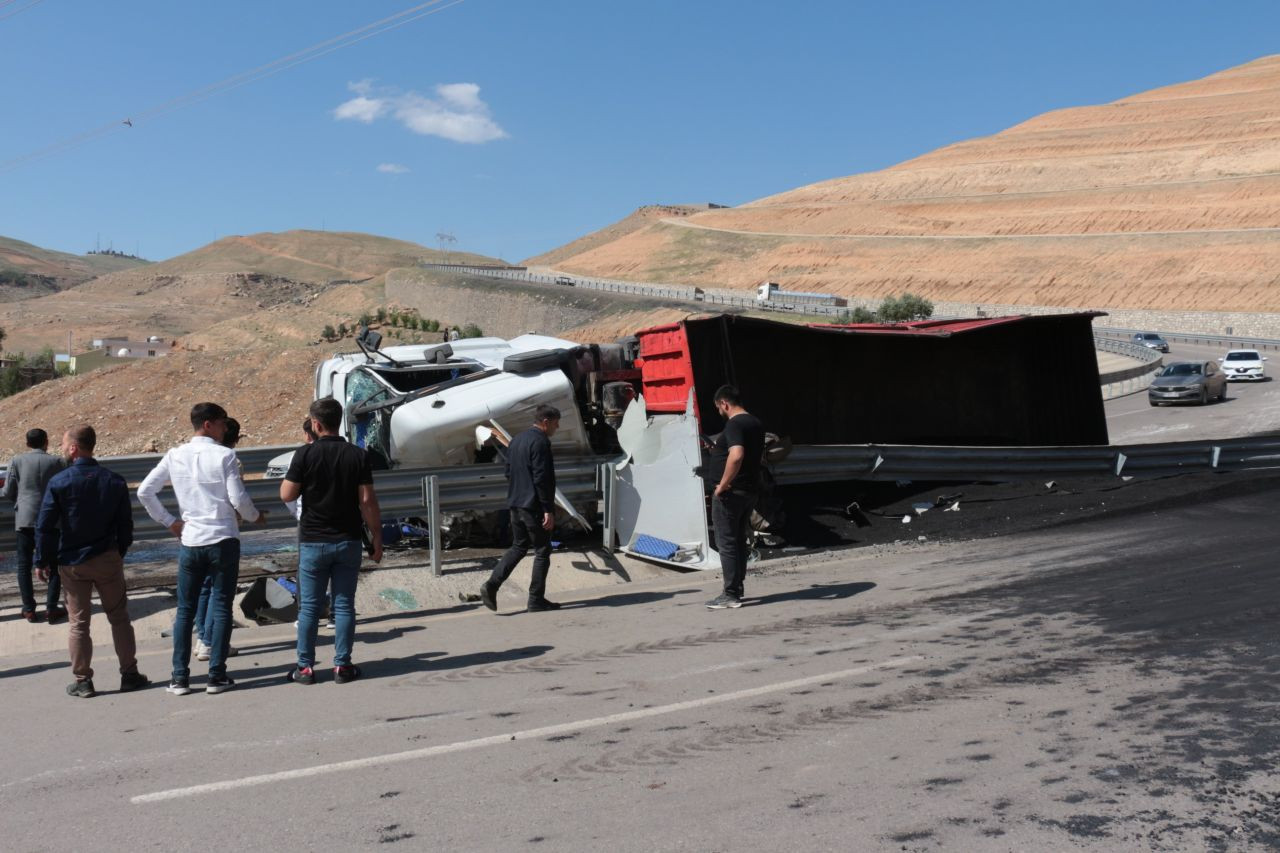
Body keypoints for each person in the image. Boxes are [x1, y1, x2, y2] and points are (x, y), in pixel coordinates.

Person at [138, 403, 265, 696]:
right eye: (221, 423)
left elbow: (145, 491)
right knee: (221, 606)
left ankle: (179, 678)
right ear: (208, 424)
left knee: (186, 610)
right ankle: (216, 675)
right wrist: (255, 517)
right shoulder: (225, 455)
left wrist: (170, 521)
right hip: (222, 539)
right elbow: (239, 499)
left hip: (191, 541)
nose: (225, 428)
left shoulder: (175, 455)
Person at [35, 425, 148, 698]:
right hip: (107, 557)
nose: (61, 448)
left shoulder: (59, 482)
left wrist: (42, 560)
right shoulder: (114, 481)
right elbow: (125, 524)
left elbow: (45, 526)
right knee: (119, 618)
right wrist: (117, 552)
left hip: (73, 562)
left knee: (78, 623)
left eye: (64, 444)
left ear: (74, 448)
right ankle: (129, 674)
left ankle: (83, 680)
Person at [280, 397, 383, 685]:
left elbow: (286, 495)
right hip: (347, 540)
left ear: (315, 423)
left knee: (310, 607)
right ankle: (343, 666)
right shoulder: (357, 455)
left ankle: (304, 668)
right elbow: (367, 501)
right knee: (344, 605)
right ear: (339, 421)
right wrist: (377, 537)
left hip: (313, 540)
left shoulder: (304, 455)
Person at [478, 405, 562, 613]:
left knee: (519, 546)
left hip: (515, 503)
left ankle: (491, 585)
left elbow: (508, 472)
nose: (557, 427)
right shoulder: (541, 442)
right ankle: (536, 600)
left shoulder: (516, 441)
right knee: (543, 550)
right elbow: (542, 478)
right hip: (533, 505)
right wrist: (547, 509)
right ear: (545, 422)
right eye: (555, 423)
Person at [705, 385, 765, 610]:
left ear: (724, 404)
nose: (719, 412)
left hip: (731, 493)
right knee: (738, 540)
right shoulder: (755, 423)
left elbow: (737, 455)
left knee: (726, 542)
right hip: (748, 491)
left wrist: (723, 484)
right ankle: (737, 588)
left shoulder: (734, 424)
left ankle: (730, 594)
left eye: (718, 408)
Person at [192, 417, 245, 662]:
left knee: (204, 588)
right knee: (219, 592)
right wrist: (250, 516)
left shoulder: (195, 457)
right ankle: (211, 643)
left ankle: (202, 637)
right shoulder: (230, 460)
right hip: (221, 534)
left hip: (196, 534)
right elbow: (237, 500)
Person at [3, 428, 66, 623]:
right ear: (46, 442)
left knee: (23, 565)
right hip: (51, 520)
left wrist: (20, 502)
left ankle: (29, 609)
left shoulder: (16, 461)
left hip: (25, 519)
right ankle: (52, 608)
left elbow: (7, 491)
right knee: (55, 565)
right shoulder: (58, 462)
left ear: (27, 443)